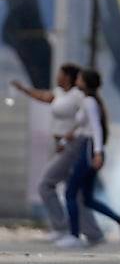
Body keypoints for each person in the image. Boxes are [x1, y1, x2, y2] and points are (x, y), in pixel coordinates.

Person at [10, 64, 104, 244]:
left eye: (60, 74)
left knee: (48, 184)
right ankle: (91, 233)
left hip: (74, 147)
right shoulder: (61, 94)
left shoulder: (80, 97)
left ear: (69, 77)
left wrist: (95, 151)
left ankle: (66, 229)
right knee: (75, 193)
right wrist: (23, 89)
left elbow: (90, 125)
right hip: (64, 145)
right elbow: (44, 97)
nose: (57, 77)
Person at [58, 69, 120, 248]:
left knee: (70, 192)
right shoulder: (89, 101)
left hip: (89, 149)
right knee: (87, 198)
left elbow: (96, 128)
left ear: (85, 82)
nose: (76, 79)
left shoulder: (90, 102)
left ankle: (74, 235)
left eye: (79, 78)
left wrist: (98, 153)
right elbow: (82, 125)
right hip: (89, 147)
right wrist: (66, 138)